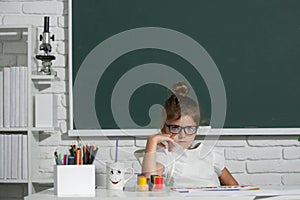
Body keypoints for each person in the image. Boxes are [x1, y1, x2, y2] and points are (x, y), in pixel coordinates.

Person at [142, 82, 238, 188]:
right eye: (175, 128)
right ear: (163, 128)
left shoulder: (210, 154)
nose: (182, 135)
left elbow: (234, 187)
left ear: (196, 129)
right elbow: (149, 181)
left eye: (189, 129)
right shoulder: (166, 155)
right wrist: (152, 141)